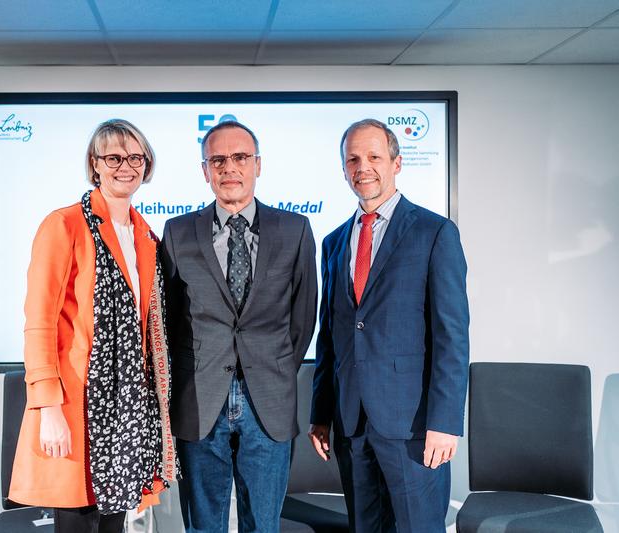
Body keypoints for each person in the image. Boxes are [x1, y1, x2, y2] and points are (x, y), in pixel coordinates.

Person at [9, 119, 178, 533]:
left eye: (135, 157)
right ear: (95, 164)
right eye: (114, 157)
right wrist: (47, 408)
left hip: (127, 410)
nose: (126, 166)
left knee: (112, 526)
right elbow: (39, 323)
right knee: (78, 522)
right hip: (74, 404)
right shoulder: (64, 224)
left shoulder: (146, 236)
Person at [308, 119, 469, 532]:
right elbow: (330, 335)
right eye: (353, 159)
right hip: (351, 424)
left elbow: (452, 336)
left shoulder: (435, 233)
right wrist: (321, 413)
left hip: (413, 426)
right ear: (344, 169)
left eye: (374, 157)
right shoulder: (334, 242)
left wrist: (446, 422)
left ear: (396, 163)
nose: (363, 167)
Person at [162, 120, 318, 533]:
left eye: (240, 157)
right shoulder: (177, 233)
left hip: (269, 400)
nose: (229, 167)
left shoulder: (295, 229)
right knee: (202, 526)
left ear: (258, 165)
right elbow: (170, 319)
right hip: (199, 401)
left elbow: (303, 318)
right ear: (205, 170)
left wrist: (275, 365)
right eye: (218, 159)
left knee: (263, 526)